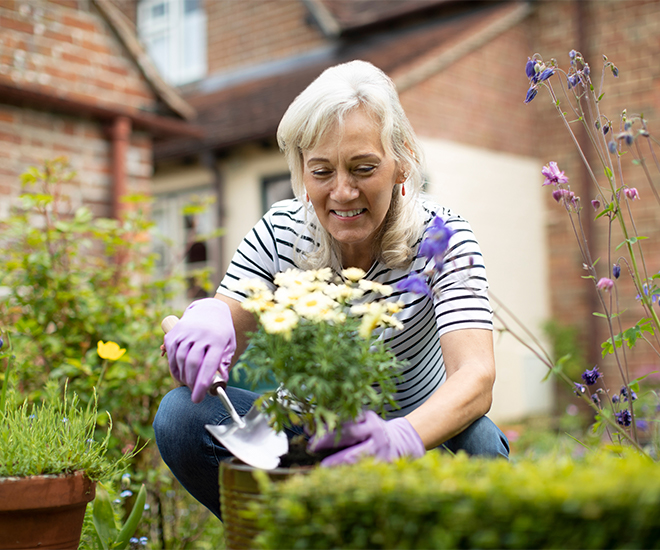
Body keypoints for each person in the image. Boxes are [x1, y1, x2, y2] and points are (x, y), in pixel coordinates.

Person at [154, 60, 509, 519]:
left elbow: (475, 376)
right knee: (182, 417)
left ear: (401, 163)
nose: (342, 192)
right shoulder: (280, 231)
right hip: (307, 437)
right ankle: (288, 537)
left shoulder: (443, 238)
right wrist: (209, 322)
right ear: (301, 170)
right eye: (321, 172)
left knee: (480, 443)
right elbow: (226, 336)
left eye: (363, 168)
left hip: (417, 437)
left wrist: (400, 438)